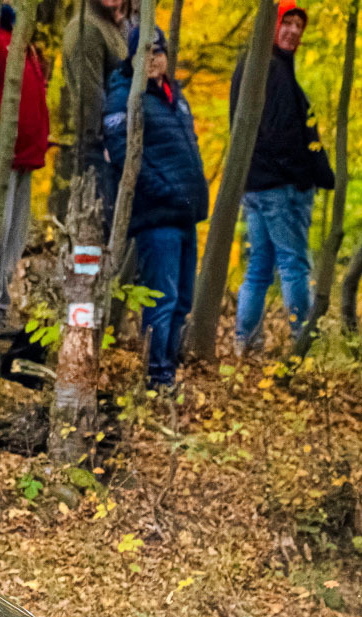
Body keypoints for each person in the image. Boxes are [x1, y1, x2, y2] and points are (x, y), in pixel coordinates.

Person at [104, 25, 209, 387]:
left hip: (185, 213)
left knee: (183, 299)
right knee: (162, 299)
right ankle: (156, 376)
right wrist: (164, 191)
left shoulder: (174, 96)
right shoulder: (125, 94)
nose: (152, 59)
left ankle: (169, 368)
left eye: (158, 52)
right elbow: (122, 153)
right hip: (156, 214)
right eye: (144, 53)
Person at [231, 1, 335, 348]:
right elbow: (279, 135)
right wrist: (304, 176)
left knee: (260, 267)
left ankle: (246, 342)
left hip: (257, 185)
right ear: (271, 26)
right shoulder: (270, 69)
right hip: (278, 187)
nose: (293, 31)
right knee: (293, 265)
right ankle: (302, 342)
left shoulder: (261, 65)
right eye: (286, 23)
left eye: (298, 25)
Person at [0, 4, 50, 328]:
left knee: (16, 237)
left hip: (26, 157)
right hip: (3, 156)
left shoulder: (20, 40)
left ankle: (0, 304)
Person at [61, 0, 128, 203]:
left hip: (119, 146)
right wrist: (98, 147)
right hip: (102, 151)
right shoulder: (86, 28)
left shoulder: (110, 26)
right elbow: (89, 97)